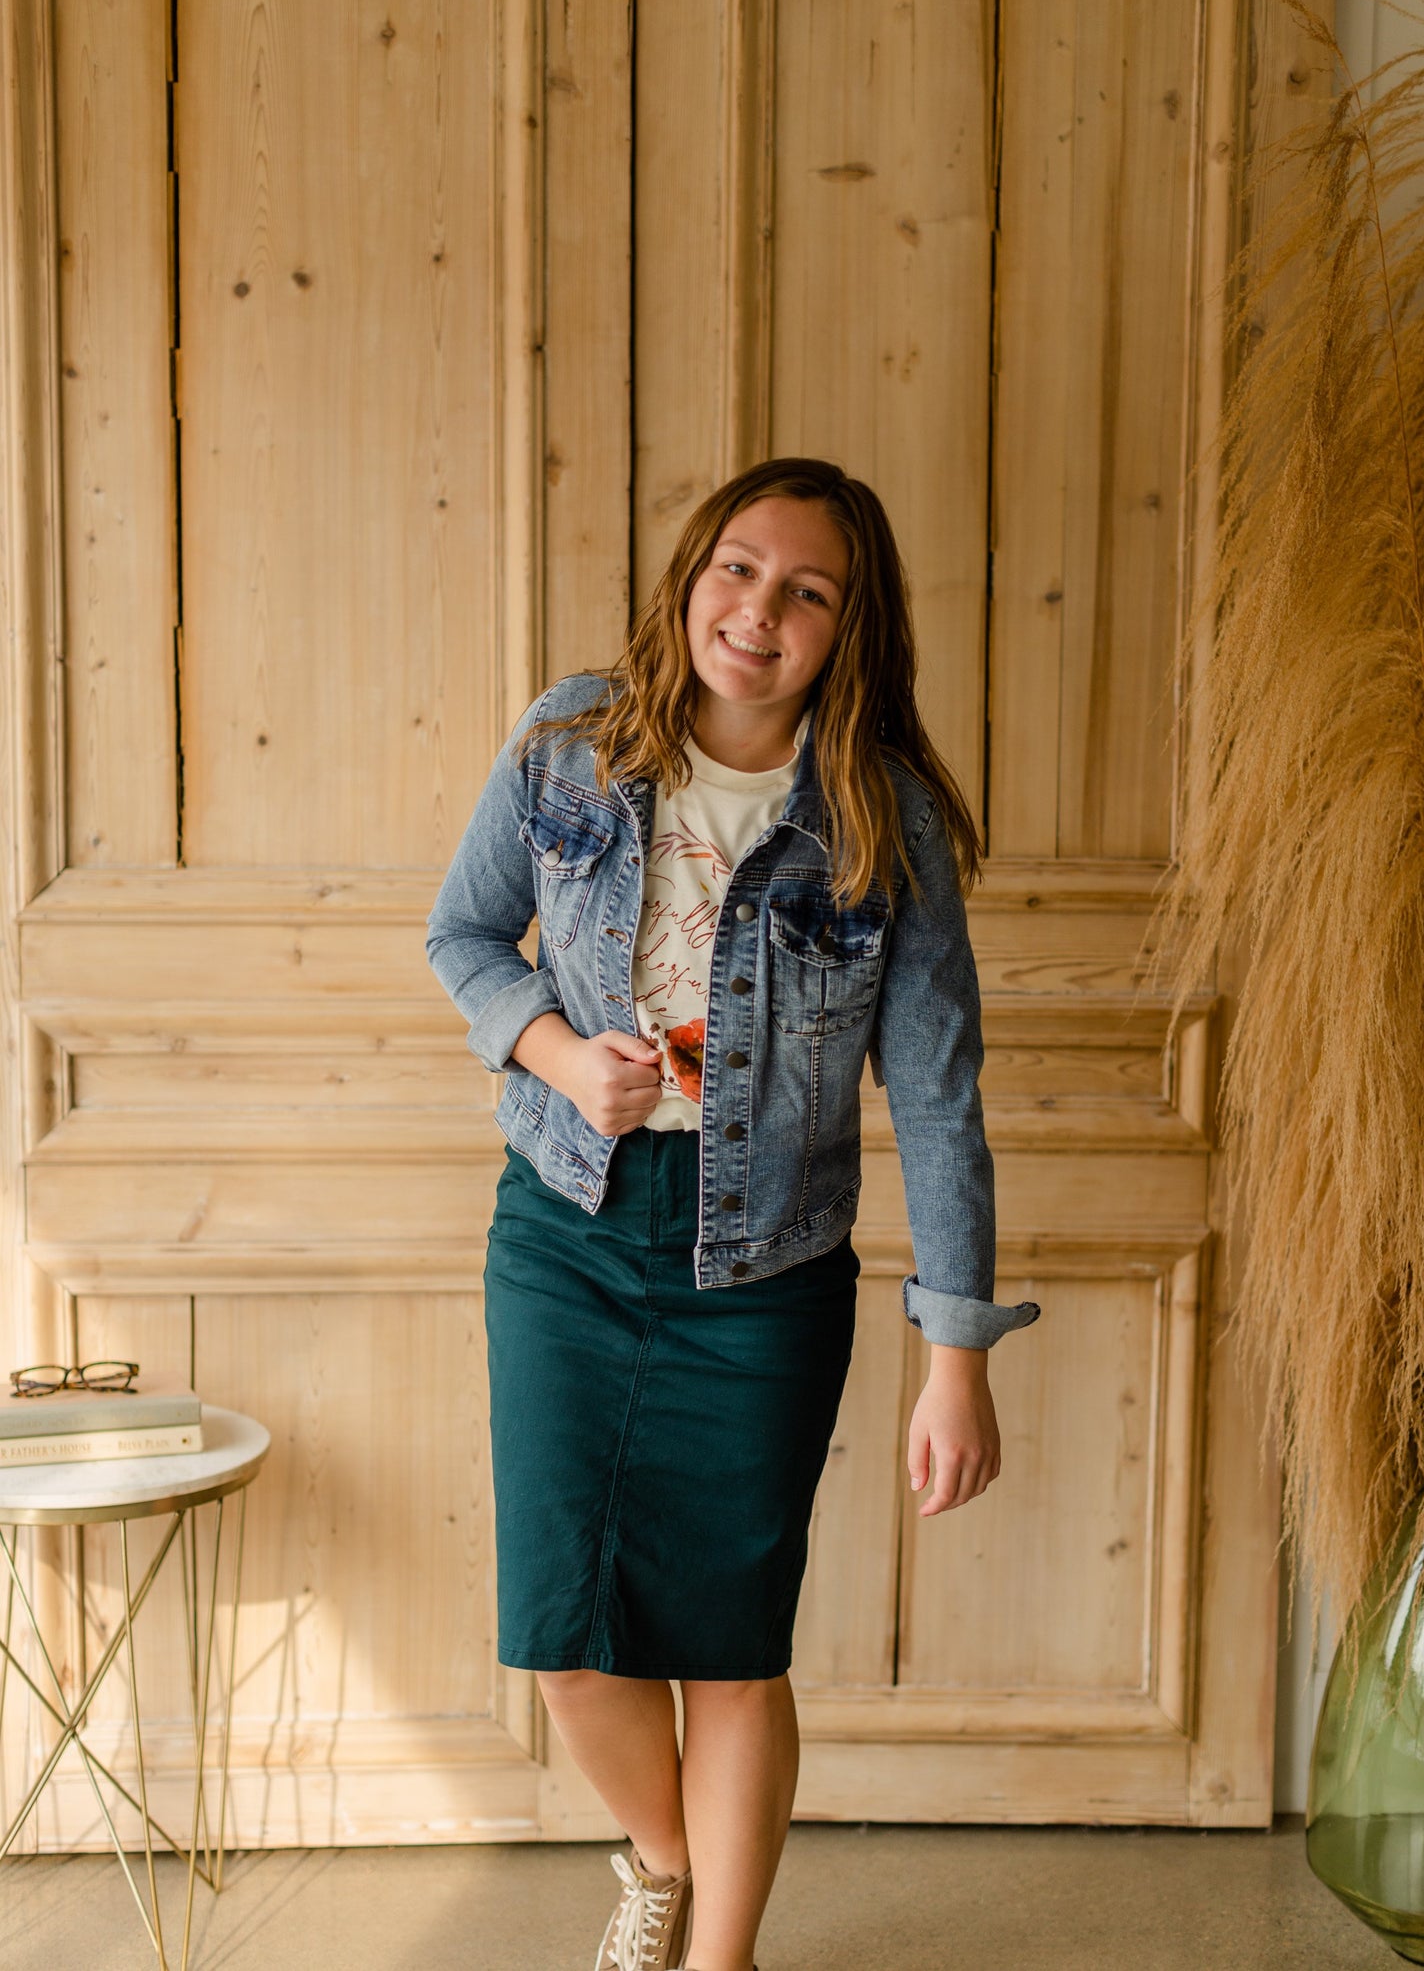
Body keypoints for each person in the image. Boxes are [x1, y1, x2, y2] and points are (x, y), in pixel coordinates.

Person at [424, 456, 1041, 1971]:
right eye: (737, 568)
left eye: (805, 591)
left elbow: (941, 1097)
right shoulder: (571, 741)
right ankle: (660, 1863)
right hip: (566, 1233)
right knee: (568, 1641)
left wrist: (952, 1355)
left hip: (762, 1274)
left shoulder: (878, 820)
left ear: (848, 630)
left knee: (729, 1646)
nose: (756, 610)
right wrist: (564, 1057)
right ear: (694, 571)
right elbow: (459, 935)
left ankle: (720, 1960)